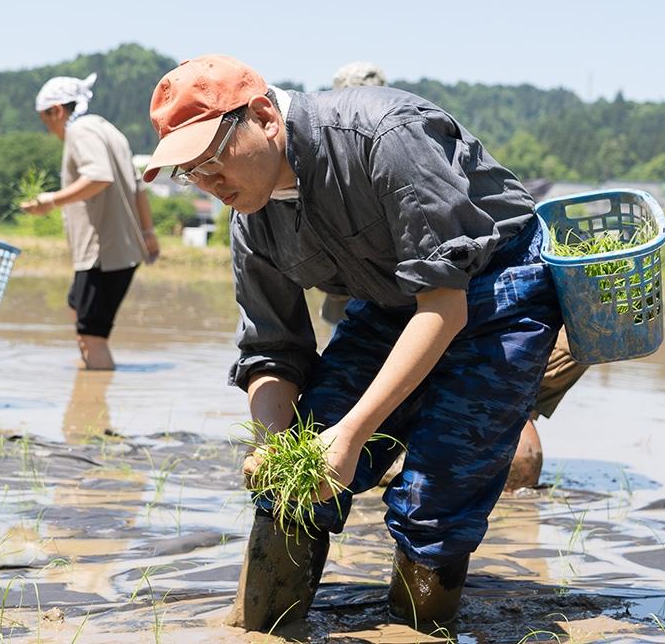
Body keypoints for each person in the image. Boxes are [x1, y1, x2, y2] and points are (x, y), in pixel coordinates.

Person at [142, 55, 563, 631]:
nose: (209, 185)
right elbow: (272, 347)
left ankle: (419, 627)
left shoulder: (386, 137)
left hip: (496, 291)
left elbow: (444, 306)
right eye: (189, 172)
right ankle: (264, 626)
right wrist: (273, 443)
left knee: (437, 496)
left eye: (213, 160)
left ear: (263, 116)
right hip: (389, 300)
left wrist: (353, 435)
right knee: (291, 485)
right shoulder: (251, 218)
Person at [324, 63, 589, 493]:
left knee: (494, 415)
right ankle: (513, 516)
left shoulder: (408, 157)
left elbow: (447, 303)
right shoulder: (340, 190)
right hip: (483, 316)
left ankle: (510, 508)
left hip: (511, 313)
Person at [24, 74, 160, 370]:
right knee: (77, 305)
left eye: (46, 121)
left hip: (102, 254)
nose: (48, 130)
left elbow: (98, 176)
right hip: (119, 251)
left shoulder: (80, 132)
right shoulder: (109, 130)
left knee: (91, 336)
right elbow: (139, 189)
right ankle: (87, 381)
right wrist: (148, 234)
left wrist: (51, 201)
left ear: (57, 110)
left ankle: (93, 401)